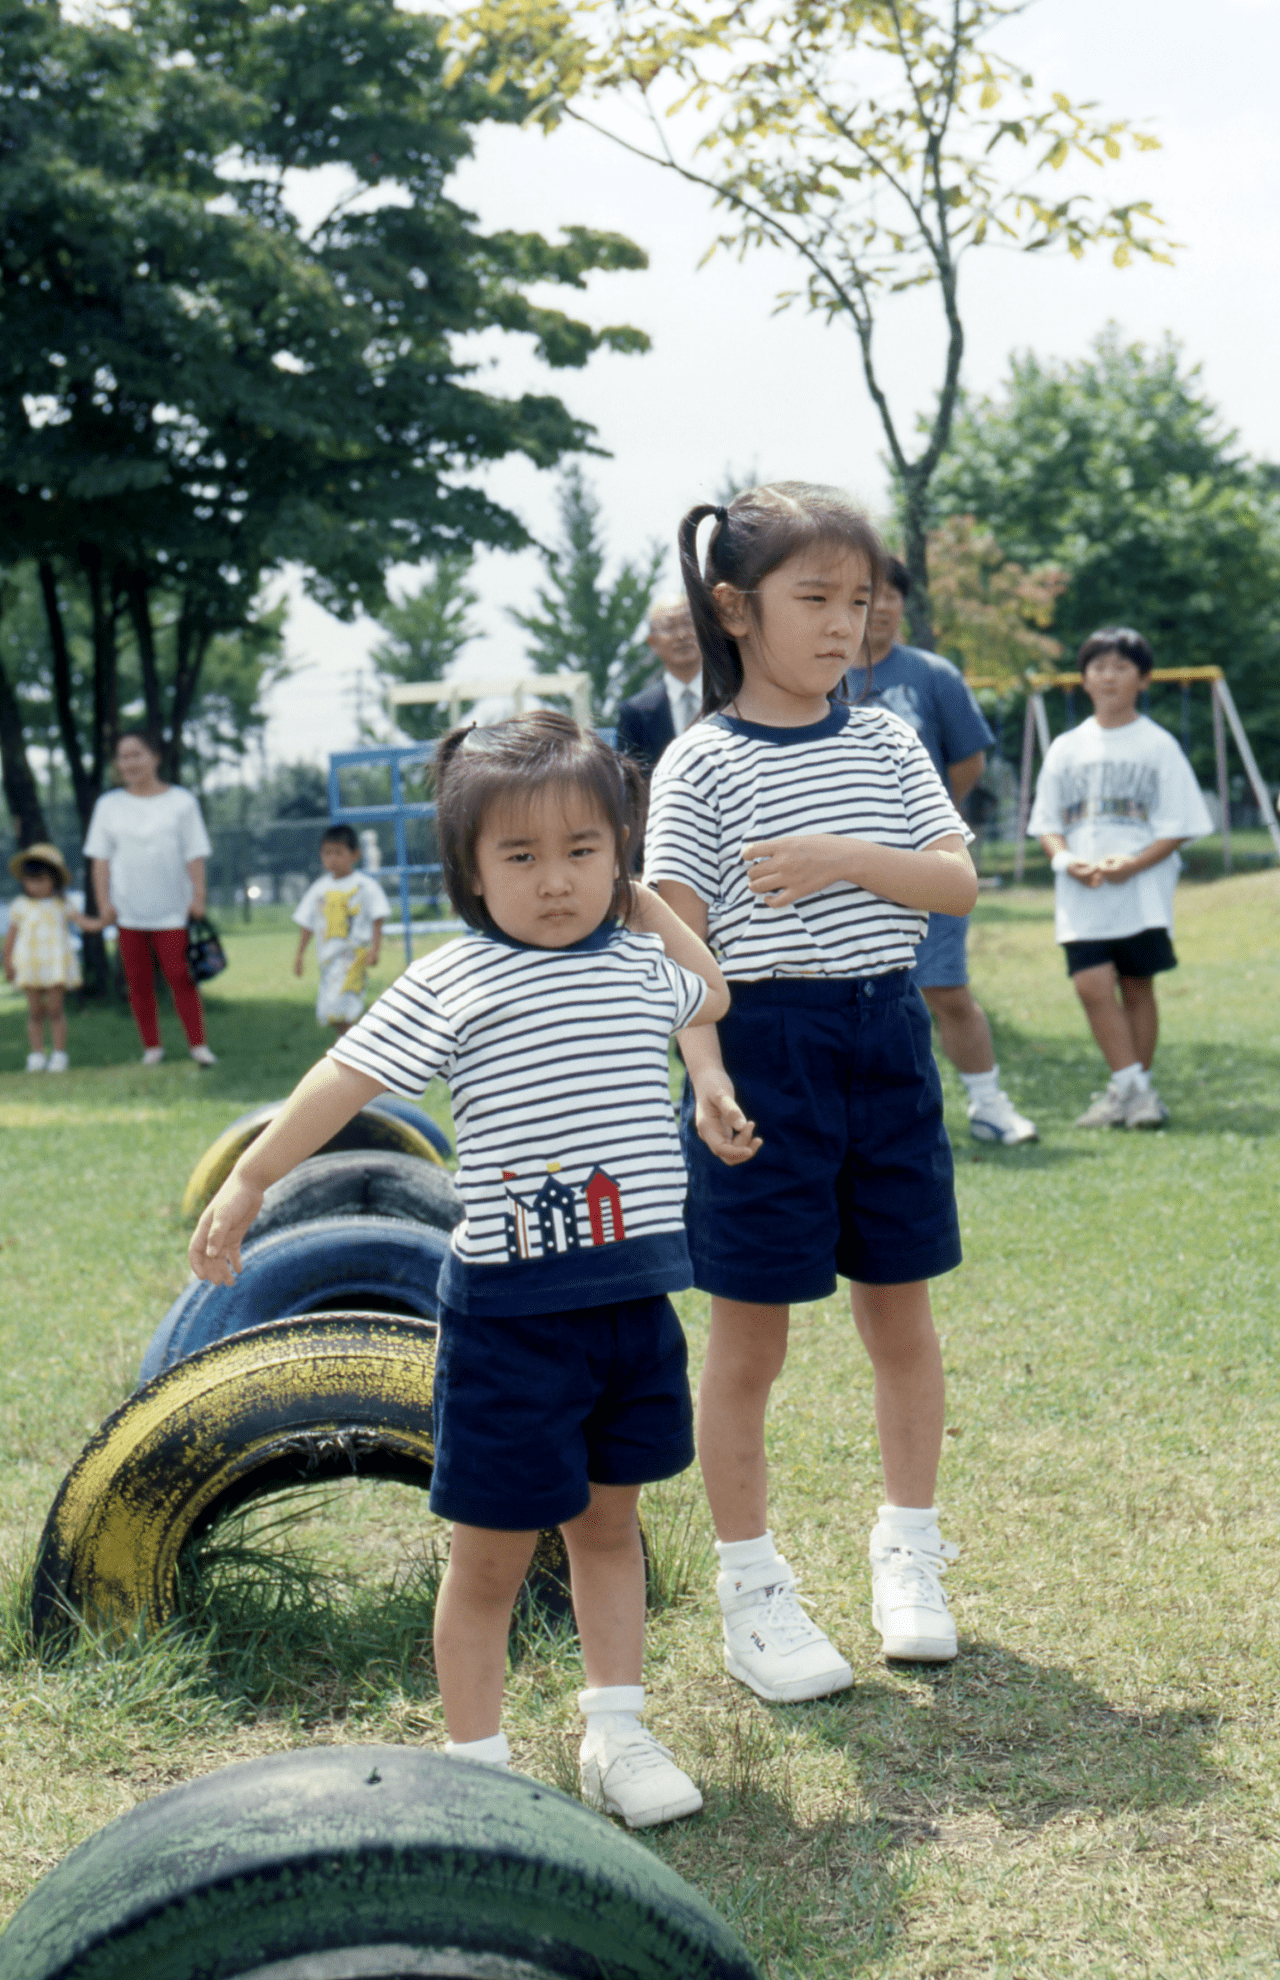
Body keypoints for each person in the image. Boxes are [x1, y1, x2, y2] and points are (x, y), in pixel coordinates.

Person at [189, 712, 731, 1830]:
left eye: (583, 851)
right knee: (490, 1553)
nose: (553, 882)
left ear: (619, 854)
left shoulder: (640, 967)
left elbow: (712, 993)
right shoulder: (453, 981)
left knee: (608, 1527)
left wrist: (639, 897)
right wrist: (249, 1180)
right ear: (469, 872)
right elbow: (341, 1081)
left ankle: (615, 1733)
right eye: (519, 857)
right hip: (509, 1326)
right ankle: (475, 1769)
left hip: (632, 1307)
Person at [644, 481, 979, 1702]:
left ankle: (910, 1552)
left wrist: (842, 859)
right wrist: (708, 1078)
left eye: (860, 600)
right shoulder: (694, 766)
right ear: (735, 609)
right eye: (814, 600)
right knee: (750, 1339)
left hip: (883, 1039)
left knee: (901, 1316)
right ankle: (752, 1589)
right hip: (762, 1050)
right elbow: (679, 947)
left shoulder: (888, 738)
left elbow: (953, 886)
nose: (843, 625)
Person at [845, 558, 1036, 1146]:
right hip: (840, 868)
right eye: (865, 596)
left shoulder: (932, 674)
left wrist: (925, 823)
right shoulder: (816, 677)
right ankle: (872, 1120)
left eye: (891, 596)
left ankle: (988, 1104)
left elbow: (969, 759)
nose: (878, 607)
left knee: (946, 988)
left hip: (930, 864)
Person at [1028, 628, 1212, 1128]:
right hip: (1081, 893)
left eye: (1121, 666)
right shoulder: (1066, 747)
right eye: (1098, 666)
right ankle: (1135, 1091)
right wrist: (1068, 862)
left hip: (1141, 892)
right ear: (1084, 678)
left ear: (1144, 679)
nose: (1108, 676)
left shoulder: (1159, 745)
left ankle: (1130, 1096)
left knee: (1136, 986)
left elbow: (1181, 825)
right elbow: (1046, 824)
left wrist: (1132, 864)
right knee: (1090, 985)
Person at [83, 730, 217, 1066]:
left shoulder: (182, 802)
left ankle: (198, 1045)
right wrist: (104, 903)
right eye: (123, 756)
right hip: (128, 911)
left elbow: (195, 853)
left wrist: (198, 896)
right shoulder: (108, 805)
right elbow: (100, 859)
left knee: (180, 977)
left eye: (136, 754)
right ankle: (152, 1048)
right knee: (138, 982)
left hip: (173, 910)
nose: (129, 763)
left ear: (155, 758)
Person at [2, 844, 102, 1072]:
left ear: (54, 880)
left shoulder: (62, 905)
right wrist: (7, 963)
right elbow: (11, 938)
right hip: (30, 966)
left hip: (55, 966)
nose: (36, 885)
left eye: (42, 879)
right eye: (31, 879)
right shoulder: (19, 907)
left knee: (56, 1010)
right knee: (35, 1012)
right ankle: (36, 1055)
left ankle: (59, 1054)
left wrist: (104, 921)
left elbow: (84, 923)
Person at [292, 825, 390, 1034]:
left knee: (343, 1004)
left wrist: (375, 949)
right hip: (327, 960)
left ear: (355, 854)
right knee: (332, 1009)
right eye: (327, 853)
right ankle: (355, 1042)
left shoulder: (365, 886)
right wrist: (300, 954)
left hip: (353, 957)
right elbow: (307, 923)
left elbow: (378, 917)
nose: (332, 859)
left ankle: (352, 1048)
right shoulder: (319, 888)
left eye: (339, 853)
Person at [615, 595, 704, 776]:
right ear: (652, 642)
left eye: (688, 622)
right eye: (669, 627)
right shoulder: (635, 713)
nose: (682, 635)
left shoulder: (734, 696)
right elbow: (632, 785)